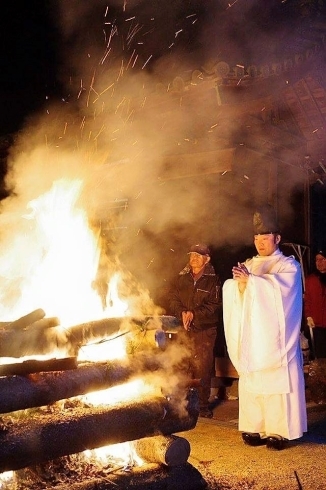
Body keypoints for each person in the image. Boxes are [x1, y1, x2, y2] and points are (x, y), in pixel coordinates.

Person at [222, 205, 307, 450]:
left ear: (277, 238)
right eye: (257, 238)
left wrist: (254, 283)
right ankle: (255, 426)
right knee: (253, 379)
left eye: (265, 237)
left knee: (276, 382)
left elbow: (283, 294)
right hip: (254, 338)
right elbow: (241, 297)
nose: (260, 242)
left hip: (276, 340)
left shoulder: (288, 266)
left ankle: (279, 431)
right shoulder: (251, 263)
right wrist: (238, 285)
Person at [168, 243, 221, 418]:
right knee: (182, 364)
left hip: (204, 330)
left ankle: (203, 406)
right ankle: (181, 405)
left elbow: (214, 305)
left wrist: (194, 314)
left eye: (198, 256)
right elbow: (173, 299)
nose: (193, 259)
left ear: (207, 259)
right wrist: (182, 313)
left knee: (202, 367)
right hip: (183, 328)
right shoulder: (182, 277)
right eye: (192, 255)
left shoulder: (213, 280)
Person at [304, 249, 326, 358]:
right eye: (317, 259)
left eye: (323, 259)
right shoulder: (311, 280)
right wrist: (308, 316)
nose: (319, 262)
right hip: (317, 325)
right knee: (320, 354)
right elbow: (307, 299)